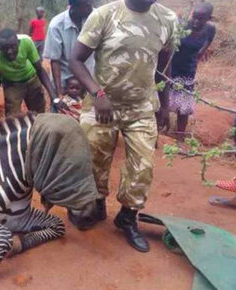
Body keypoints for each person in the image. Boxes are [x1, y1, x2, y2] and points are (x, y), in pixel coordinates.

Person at [69, 0, 177, 252]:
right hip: (102, 104)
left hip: (141, 107)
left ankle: (127, 217)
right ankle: (96, 206)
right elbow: (75, 59)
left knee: (143, 164)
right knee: (94, 159)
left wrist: (164, 104)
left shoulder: (167, 19)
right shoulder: (105, 15)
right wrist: (97, 94)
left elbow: (163, 65)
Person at [169, 2, 215, 147]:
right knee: (161, 103)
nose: (196, 21)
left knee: (184, 108)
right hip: (170, 70)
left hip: (188, 72)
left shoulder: (210, 30)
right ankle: (159, 131)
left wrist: (196, 58)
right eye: (194, 17)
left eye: (201, 18)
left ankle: (180, 139)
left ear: (209, 18)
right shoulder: (181, 25)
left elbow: (204, 48)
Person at [43, 0, 95, 103]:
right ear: (73, 6)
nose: (90, 5)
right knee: (62, 117)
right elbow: (55, 61)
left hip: (91, 85)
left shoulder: (97, 18)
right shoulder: (56, 25)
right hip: (65, 87)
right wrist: (59, 95)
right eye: (86, 3)